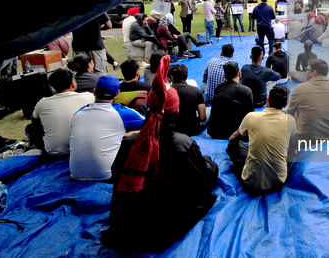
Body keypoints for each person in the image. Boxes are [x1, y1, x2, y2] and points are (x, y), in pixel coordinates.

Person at [102, 55, 218, 254]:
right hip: (166, 219)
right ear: (176, 109)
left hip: (131, 220)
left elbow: (116, 175)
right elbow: (202, 177)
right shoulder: (184, 144)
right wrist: (209, 163)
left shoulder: (131, 142)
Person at [69, 75, 145, 181]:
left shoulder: (79, 113)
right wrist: (134, 133)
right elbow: (150, 125)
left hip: (76, 174)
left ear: (94, 91)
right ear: (117, 93)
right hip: (108, 175)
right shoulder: (123, 112)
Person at [227, 85, 296, 195]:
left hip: (251, 184)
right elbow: (293, 145)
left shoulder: (251, 117)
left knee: (232, 145)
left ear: (268, 99)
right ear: (285, 105)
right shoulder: (291, 121)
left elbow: (233, 138)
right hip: (278, 182)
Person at [26, 69, 94, 156]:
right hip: (85, 148)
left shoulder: (42, 103)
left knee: (31, 128)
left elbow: (34, 120)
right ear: (73, 83)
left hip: (54, 152)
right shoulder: (88, 97)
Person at [287, 59, 329, 142]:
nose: (305, 72)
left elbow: (290, 112)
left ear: (314, 73)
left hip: (306, 137)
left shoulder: (300, 89)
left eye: (307, 70)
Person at [207, 61, 255, 140]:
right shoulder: (246, 91)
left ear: (224, 76)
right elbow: (251, 116)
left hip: (216, 132)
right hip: (237, 134)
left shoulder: (219, 87)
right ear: (239, 74)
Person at [167, 64, 206, 136]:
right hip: (192, 129)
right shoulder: (197, 91)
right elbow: (203, 117)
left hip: (173, 129)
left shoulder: (167, 91)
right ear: (186, 77)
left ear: (171, 77)